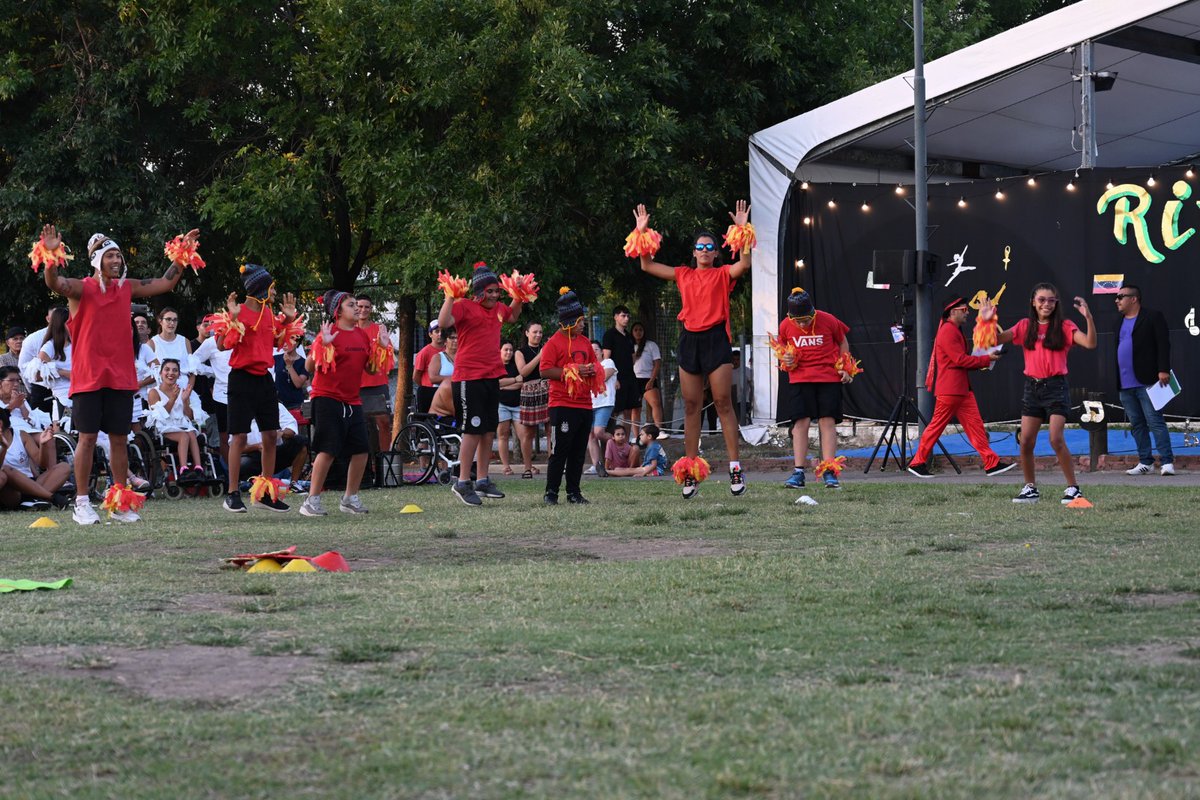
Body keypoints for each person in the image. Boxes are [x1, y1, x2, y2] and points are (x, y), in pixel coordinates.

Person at [40, 224, 196, 524]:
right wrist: (49, 253)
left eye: (119, 256)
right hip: (88, 378)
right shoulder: (81, 288)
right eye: (110, 256)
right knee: (86, 439)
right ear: (97, 259)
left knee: (119, 440)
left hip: (121, 378)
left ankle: (120, 499)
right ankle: (82, 503)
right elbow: (54, 282)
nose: (117, 261)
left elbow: (164, 283)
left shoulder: (127, 287)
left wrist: (183, 253)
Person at [632, 200, 752, 498]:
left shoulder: (723, 273)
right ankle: (690, 471)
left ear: (716, 251)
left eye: (710, 247)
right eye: (700, 247)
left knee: (723, 402)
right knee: (690, 407)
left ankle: (735, 467)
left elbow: (745, 264)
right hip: (690, 341)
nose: (705, 251)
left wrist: (741, 229)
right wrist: (642, 232)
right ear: (693, 252)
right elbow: (646, 265)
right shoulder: (683, 274)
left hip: (716, 340)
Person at [985, 283, 1096, 504]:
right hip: (1032, 388)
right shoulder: (1025, 326)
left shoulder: (1065, 326)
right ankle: (1030, 488)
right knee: (1025, 441)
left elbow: (1090, 343)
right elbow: (994, 341)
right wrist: (988, 320)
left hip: (1056, 387)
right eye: (1042, 300)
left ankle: (1073, 488)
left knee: (1056, 438)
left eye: (1051, 300)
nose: (1047, 304)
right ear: (1033, 303)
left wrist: (1088, 317)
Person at [437, 261, 525, 506]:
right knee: (472, 429)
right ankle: (463, 482)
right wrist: (450, 297)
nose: (495, 295)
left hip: (490, 377)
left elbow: (514, 315)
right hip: (468, 377)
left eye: (497, 291)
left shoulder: (498, 308)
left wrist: (518, 294)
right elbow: (443, 323)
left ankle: (483, 480)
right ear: (478, 292)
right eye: (490, 291)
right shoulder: (464, 306)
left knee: (488, 430)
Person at [219, 263, 299, 513]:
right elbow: (222, 344)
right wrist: (232, 319)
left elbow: (276, 341)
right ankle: (232, 493)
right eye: (272, 288)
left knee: (271, 436)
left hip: (264, 378)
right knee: (239, 437)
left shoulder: (268, 314)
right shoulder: (238, 311)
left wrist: (286, 319)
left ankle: (265, 492)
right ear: (260, 289)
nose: (274, 292)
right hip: (241, 378)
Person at [300, 290, 388, 516]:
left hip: (352, 400)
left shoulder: (361, 335)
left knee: (361, 450)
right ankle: (311, 501)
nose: (357, 308)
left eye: (357, 305)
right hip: (327, 398)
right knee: (327, 450)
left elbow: (370, 369)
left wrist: (381, 348)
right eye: (352, 305)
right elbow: (309, 368)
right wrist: (322, 345)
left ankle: (349, 498)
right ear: (338, 311)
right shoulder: (329, 333)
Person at [906, 295, 1014, 479]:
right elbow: (960, 359)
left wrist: (985, 355)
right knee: (935, 428)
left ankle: (991, 463)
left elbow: (963, 358)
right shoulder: (948, 331)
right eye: (964, 310)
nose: (967, 313)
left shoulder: (953, 330)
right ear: (953, 311)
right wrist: (987, 358)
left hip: (960, 389)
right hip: (951, 390)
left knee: (976, 427)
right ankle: (917, 462)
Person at [776, 288, 853, 490]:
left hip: (828, 378)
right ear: (790, 316)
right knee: (800, 423)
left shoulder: (828, 320)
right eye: (797, 320)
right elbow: (781, 349)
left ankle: (829, 470)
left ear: (813, 312)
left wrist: (845, 367)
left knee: (827, 422)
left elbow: (842, 341)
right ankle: (798, 472)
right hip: (800, 379)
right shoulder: (785, 325)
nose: (802, 324)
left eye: (806, 319)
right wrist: (785, 357)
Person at [540, 288, 602, 505]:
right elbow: (544, 370)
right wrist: (572, 370)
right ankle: (551, 493)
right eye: (579, 320)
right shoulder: (553, 343)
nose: (583, 324)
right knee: (559, 451)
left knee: (577, 452)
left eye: (583, 320)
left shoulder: (585, 342)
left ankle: (574, 493)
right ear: (567, 322)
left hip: (584, 404)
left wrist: (593, 370)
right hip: (561, 404)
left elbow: (594, 363)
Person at [1112, 283, 1174, 476]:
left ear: (1133, 299)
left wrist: (1163, 369)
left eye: (1121, 296)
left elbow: (1163, 344)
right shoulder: (1118, 321)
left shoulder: (1153, 317)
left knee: (1155, 421)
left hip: (1147, 380)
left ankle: (1167, 462)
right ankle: (1145, 461)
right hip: (1125, 382)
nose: (1117, 300)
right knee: (1137, 424)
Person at [146, 358, 207, 480]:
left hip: (182, 424)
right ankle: (183, 469)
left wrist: (184, 400)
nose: (171, 373)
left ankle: (198, 468)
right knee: (184, 436)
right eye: (167, 370)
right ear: (161, 373)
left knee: (191, 433)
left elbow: (189, 416)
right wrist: (172, 399)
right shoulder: (154, 392)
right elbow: (161, 415)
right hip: (165, 426)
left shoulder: (181, 390)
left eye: (175, 370)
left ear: (179, 374)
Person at [0, 410, 72, 510]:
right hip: (11, 490)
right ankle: (51, 497)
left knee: (64, 467)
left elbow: (41, 464)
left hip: (33, 483)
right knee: (5, 470)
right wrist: (4, 448)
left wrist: (43, 445)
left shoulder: (21, 435)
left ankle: (31, 501)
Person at [515, 320, 550, 479]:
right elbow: (523, 372)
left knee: (551, 430)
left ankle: (553, 464)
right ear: (527, 333)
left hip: (548, 390)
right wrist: (540, 356)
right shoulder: (520, 352)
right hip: (529, 392)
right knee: (528, 433)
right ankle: (527, 468)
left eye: (540, 332)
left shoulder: (548, 349)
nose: (538, 335)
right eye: (535, 332)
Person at [602, 305, 638, 432]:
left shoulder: (629, 336)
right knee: (615, 411)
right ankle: (612, 443)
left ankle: (626, 443)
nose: (626, 318)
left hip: (630, 377)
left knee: (629, 411)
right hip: (616, 379)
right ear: (615, 317)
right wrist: (614, 378)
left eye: (628, 316)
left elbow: (633, 357)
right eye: (623, 316)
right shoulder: (609, 335)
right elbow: (606, 359)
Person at [585, 340, 617, 477]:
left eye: (596, 350)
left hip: (604, 403)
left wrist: (588, 373)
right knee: (591, 435)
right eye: (590, 351)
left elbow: (602, 377)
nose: (593, 353)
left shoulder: (608, 362)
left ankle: (620, 443)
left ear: (602, 351)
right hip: (589, 403)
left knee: (598, 432)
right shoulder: (586, 367)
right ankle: (596, 465)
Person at [355, 293, 392, 411]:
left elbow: (389, 359)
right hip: (355, 385)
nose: (363, 310)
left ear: (371, 309)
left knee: (383, 424)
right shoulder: (349, 330)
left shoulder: (379, 330)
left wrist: (382, 347)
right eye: (360, 306)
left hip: (378, 384)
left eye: (367, 307)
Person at [631, 321, 667, 439]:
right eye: (635, 330)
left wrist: (651, 380)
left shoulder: (651, 345)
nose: (638, 332)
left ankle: (659, 430)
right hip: (634, 379)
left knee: (656, 403)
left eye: (640, 330)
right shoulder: (629, 345)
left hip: (648, 378)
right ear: (632, 332)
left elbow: (657, 363)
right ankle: (637, 436)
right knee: (636, 409)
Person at [36, 307, 72, 414]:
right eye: (69, 322)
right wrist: (63, 373)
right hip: (63, 397)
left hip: (82, 392)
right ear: (61, 325)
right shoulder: (49, 347)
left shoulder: (77, 343)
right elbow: (37, 376)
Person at [148, 307, 194, 390]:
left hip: (184, 391)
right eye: (168, 319)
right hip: (161, 392)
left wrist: (188, 391)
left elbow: (193, 370)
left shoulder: (185, 341)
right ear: (160, 321)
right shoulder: (152, 343)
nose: (172, 323)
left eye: (175, 320)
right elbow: (149, 373)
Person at [497, 340, 523, 475]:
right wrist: (514, 380)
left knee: (523, 435)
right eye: (506, 350)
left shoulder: (516, 366)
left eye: (511, 350)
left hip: (517, 405)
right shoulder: (496, 366)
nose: (508, 352)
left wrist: (504, 385)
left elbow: (521, 383)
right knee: (503, 435)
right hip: (501, 405)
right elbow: (497, 384)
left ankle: (527, 466)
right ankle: (506, 466)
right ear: (500, 351)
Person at [274, 336, 310, 424]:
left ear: (296, 343)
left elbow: (298, 384)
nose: (285, 344)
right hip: (279, 404)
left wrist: (289, 365)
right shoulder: (276, 359)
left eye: (288, 341)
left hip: (296, 405)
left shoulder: (304, 362)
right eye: (283, 341)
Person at [411, 320, 444, 413]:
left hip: (446, 392)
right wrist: (426, 387)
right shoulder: (424, 352)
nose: (440, 334)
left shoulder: (448, 350)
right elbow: (416, 376)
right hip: (429, 392)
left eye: (442, 331)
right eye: (437, 331)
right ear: (430, 334)